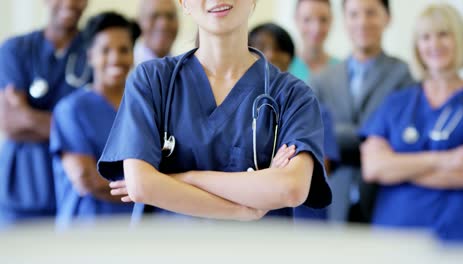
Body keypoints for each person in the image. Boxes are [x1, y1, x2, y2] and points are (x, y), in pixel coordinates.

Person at [98, 0, 331, 222]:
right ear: (184, 3)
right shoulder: (152, 81)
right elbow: (141, 185)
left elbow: (290, 189)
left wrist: (180, 179)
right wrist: (243, 209)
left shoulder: (293, 96)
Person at [360, 4, 463, 241]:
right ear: (417, 47)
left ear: (459, 38)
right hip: (394, 236)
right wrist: (449, 160)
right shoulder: (397, 103)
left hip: (456, 239)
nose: (434, 44)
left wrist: (399, 167)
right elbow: (374, 167)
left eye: (443, 34)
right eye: (425, 37)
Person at [311, 0, 414, 223]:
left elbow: (399, 138)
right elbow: (315, 138)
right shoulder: (322, 80)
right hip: (334, 200)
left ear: (387, 18)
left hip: (383, 198)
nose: (362, 22)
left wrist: (336, 137)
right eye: (354, 14)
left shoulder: (403, 75)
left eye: (371, 13)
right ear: (345, 20)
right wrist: (371, 136)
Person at [0, 0, 89, 225]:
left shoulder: (96, 51)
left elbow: (98, 131)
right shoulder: (15, 49)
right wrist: (73, 132)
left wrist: (27, 115)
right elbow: (9, 124)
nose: (69, 2)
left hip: (78, 190)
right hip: (22, 190)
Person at [50, 12, 140, 227]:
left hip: (134, 232)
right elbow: (87, 180)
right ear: (90, 56)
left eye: (124, 50)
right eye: (105, 50)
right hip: (84, 233)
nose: (115, 58)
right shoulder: (71, 110)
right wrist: (152, 191)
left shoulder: (143, 108)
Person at [249, 22, 339, 220]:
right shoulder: (239, 110)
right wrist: (276, 172)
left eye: (279, 49)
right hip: (255, 220)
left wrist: (268, 175)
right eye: (261, 47)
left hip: (305, 219)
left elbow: (319, 167)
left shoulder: (313, 108)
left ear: (290, 58)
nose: (270, 54)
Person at [290, 0, 339, 83]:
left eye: (323, 20)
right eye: (307, 19)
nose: (316, 28)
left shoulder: (341, 70)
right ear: (296, 20)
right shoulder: (284, 66)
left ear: (331, 20)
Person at [134, 0, 179, 64]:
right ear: (138, 22)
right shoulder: (127, 69)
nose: (163, 24)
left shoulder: (185, 67)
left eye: (170, 16)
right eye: (154, 16)